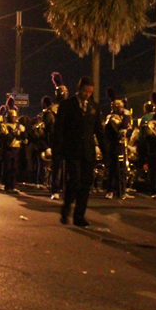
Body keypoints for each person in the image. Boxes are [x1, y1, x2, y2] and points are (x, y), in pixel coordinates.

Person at [53, 76, 106, 226]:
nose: (87, 95)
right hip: (72, 149)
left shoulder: (94, 107)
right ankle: (66, 209)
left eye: (90, 92)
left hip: (88, 151)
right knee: (74, 180)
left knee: (86, 183)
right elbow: (59, 129)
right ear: (79, 89)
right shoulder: (67, 105)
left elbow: (99, 131)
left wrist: (104, 151)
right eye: (85, 91)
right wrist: (58, 149)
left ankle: (79, 216)